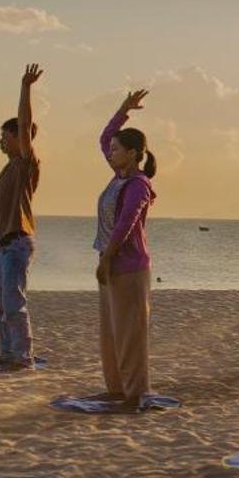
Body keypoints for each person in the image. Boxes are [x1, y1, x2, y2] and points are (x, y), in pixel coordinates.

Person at [89, 88, 158, 412]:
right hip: (110, 264)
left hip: (128, 267)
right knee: (111, 332)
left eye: (117, 150)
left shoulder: (138, 185)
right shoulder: (118, 176)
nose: (111, 153)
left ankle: (134, 393)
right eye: (112, 150)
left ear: (132, 154)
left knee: (130, 333)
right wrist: (123, 109)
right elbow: (105, 137)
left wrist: (108, 258)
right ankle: (116, 388)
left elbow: (126, 224)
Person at [0, 63, 44, 370]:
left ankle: (22, 358)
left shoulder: (25, 163)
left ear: (17, 138)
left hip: (19, 245)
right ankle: (9, 354)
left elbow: (25, 124)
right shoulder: (9, 167)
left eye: (3, 135)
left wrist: (25, 87)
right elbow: (5, 219)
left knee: (13, 304)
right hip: (7, 246)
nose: (0, 140)